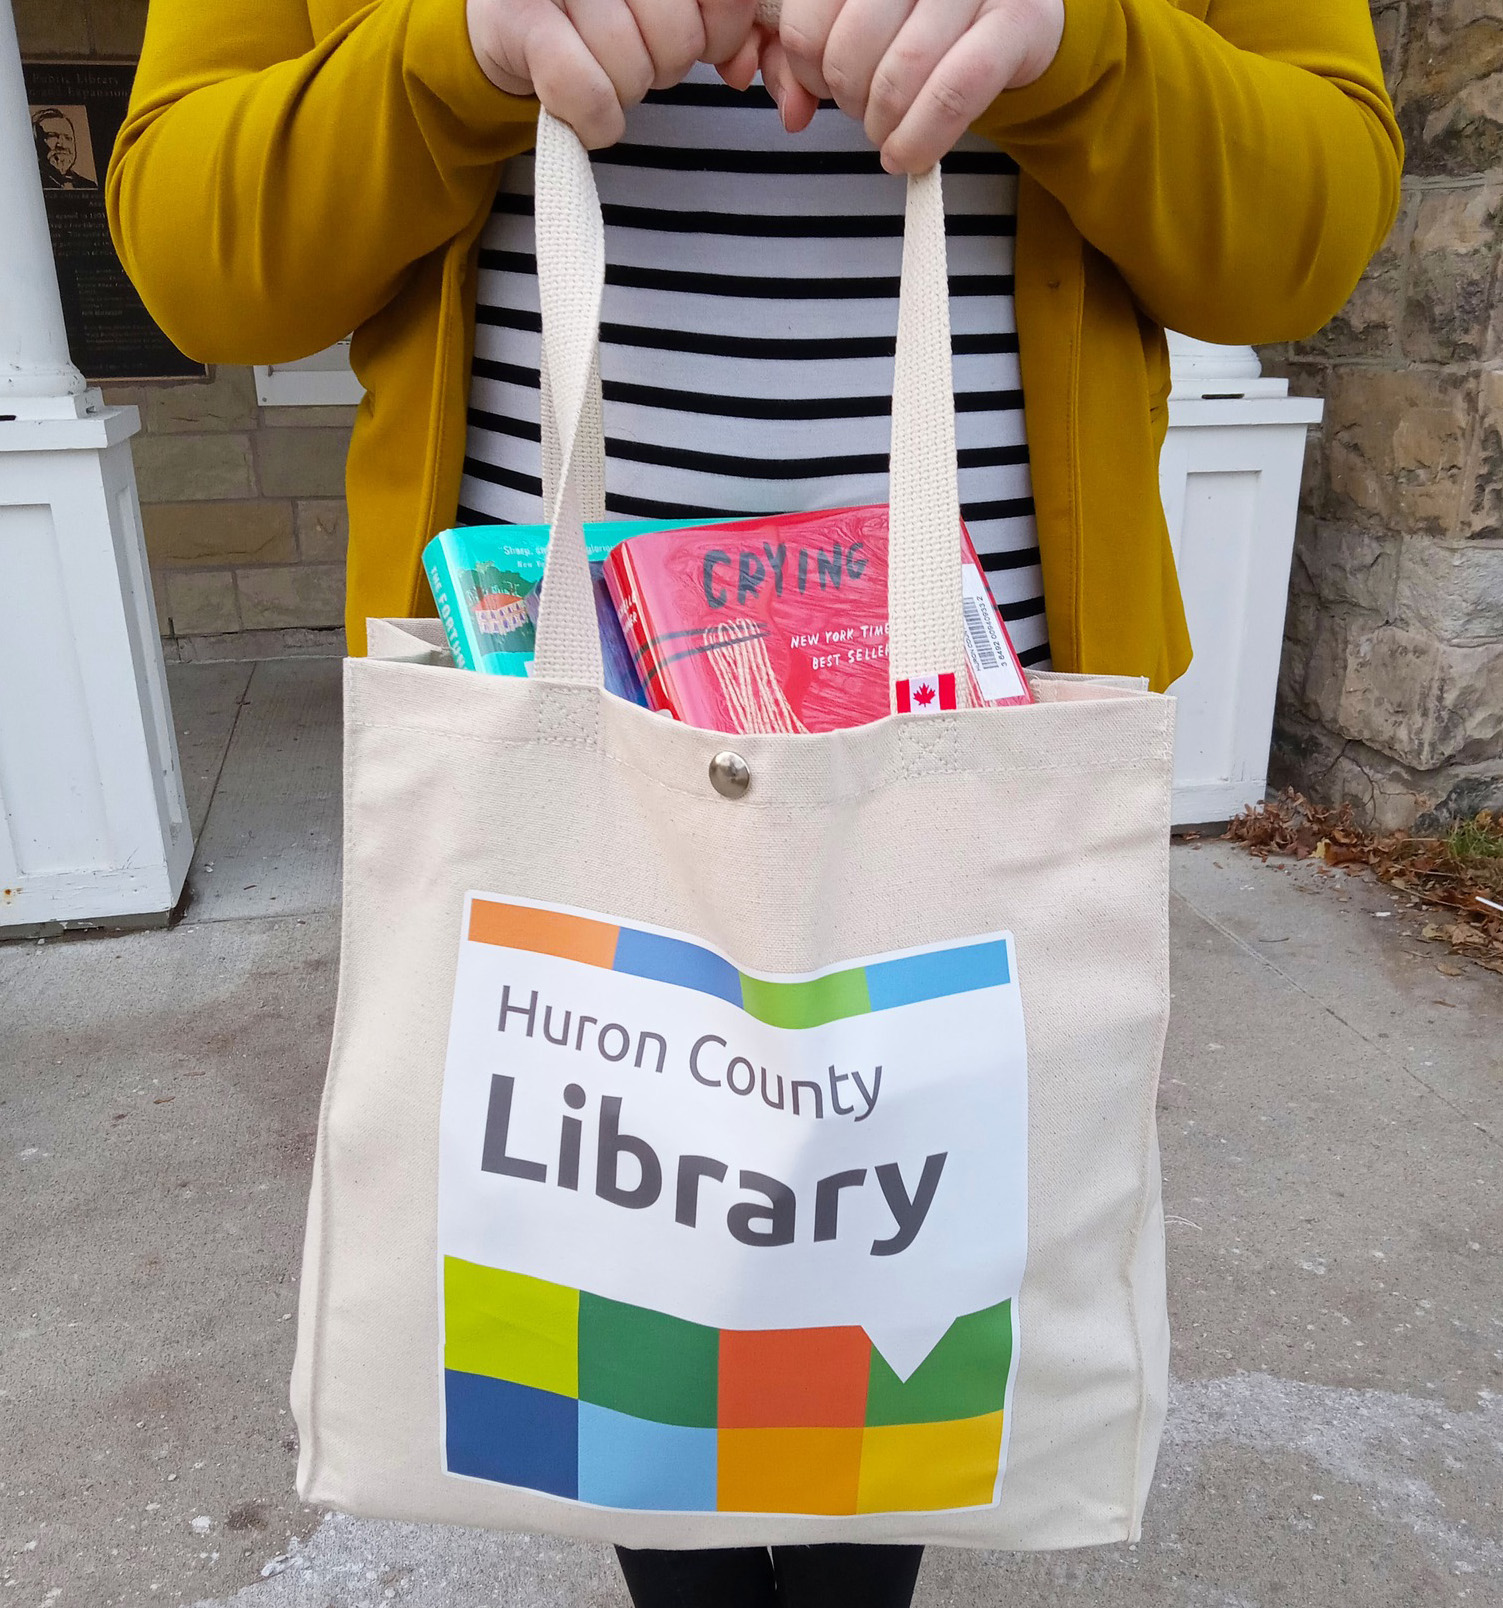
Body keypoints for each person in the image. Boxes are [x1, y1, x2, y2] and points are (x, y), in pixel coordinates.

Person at [108, 0, 1401, 1603]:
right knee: (630, 1286)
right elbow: (200, 262)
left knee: (887, 1307)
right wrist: (457, 44)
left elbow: (1301, 246)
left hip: (960, 730)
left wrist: (1072, 41)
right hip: (557, 713)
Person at [33, 107, 97, 189]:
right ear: (36, 141)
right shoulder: (34, 184)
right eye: (52, 136)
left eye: (67, 138)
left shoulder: (88, 185)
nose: (61, 144)